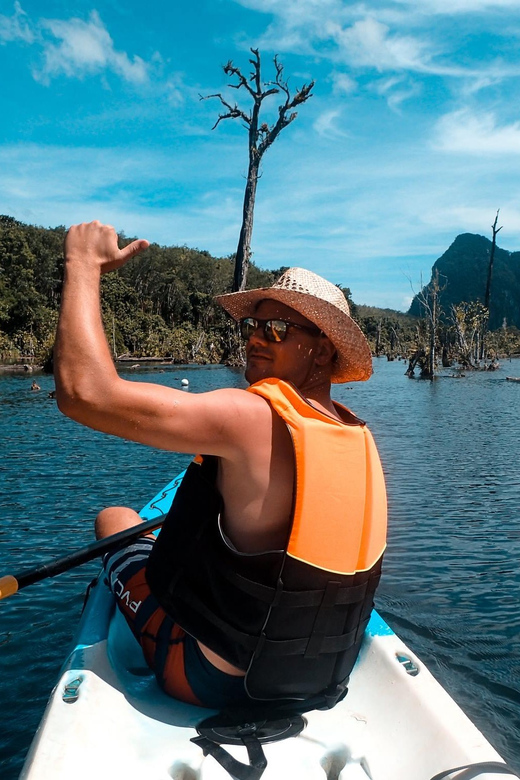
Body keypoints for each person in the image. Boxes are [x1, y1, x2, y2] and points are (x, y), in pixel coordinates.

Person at [55, 221, 387, 711]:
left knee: (116, 520)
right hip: (321, 677)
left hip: (214, 679)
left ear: (321, 351)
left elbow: (85, 394)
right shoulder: (355, 433)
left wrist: (81, 264)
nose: (256, 338)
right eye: (252, 326)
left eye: (277, 329)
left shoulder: (250, 416)